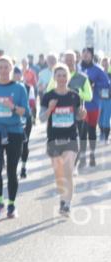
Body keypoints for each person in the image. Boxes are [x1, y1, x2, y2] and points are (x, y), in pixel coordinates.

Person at [0, 56, 29, 219]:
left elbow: (26, 112)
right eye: (0, 67)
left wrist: (13, 107)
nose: (3, 70)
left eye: (6, 67)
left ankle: (11, 205)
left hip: (14, 132)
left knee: (11, 170)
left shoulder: (19, 88)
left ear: (12, 68)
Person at [40, 64, 86, 215]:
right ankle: (62, 198)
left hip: (71, 137)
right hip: (53, 139)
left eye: (64, 75)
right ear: (54, 78)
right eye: (58, 75)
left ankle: (67, 203)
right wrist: (50, 109)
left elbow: (79, 116)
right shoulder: (48, 96)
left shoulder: (74, 96)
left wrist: (82, 115)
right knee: (59, 173)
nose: (61, 78)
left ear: (68, 77)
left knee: (68, 171)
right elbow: (41, 118)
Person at [45, 50, 93, 172]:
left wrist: (77, 92)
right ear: (63, 60)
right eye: (67, 59)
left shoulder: (82, 77)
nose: (69, 61)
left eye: (71, 59)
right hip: (59, 113)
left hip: (77, 112)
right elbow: (49, 92)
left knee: (78, 138)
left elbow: (89, 96)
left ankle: (75, 163)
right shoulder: (57, 75)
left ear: (76, 59)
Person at [80, 47, 110, 165]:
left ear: (92, 56)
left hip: (94, 104)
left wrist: (94, 84)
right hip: (81, 105)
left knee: (91, 130)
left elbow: (107, 84)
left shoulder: (98, 69)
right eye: (84, 53)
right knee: (82, 131)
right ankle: (82, 157)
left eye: (88, 53)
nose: (86, 55)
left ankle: (92, 154)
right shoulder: (78, 68)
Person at [13, 66, 36, 179]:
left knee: (24, 143)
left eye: (18, 74)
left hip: (25, 119)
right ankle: (13, 167)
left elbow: (32, 103)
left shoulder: (28, 87)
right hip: (11, 120)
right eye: (14, 74)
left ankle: (23, 167)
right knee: (13, 145)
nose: (16, 76)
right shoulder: (6, 87)